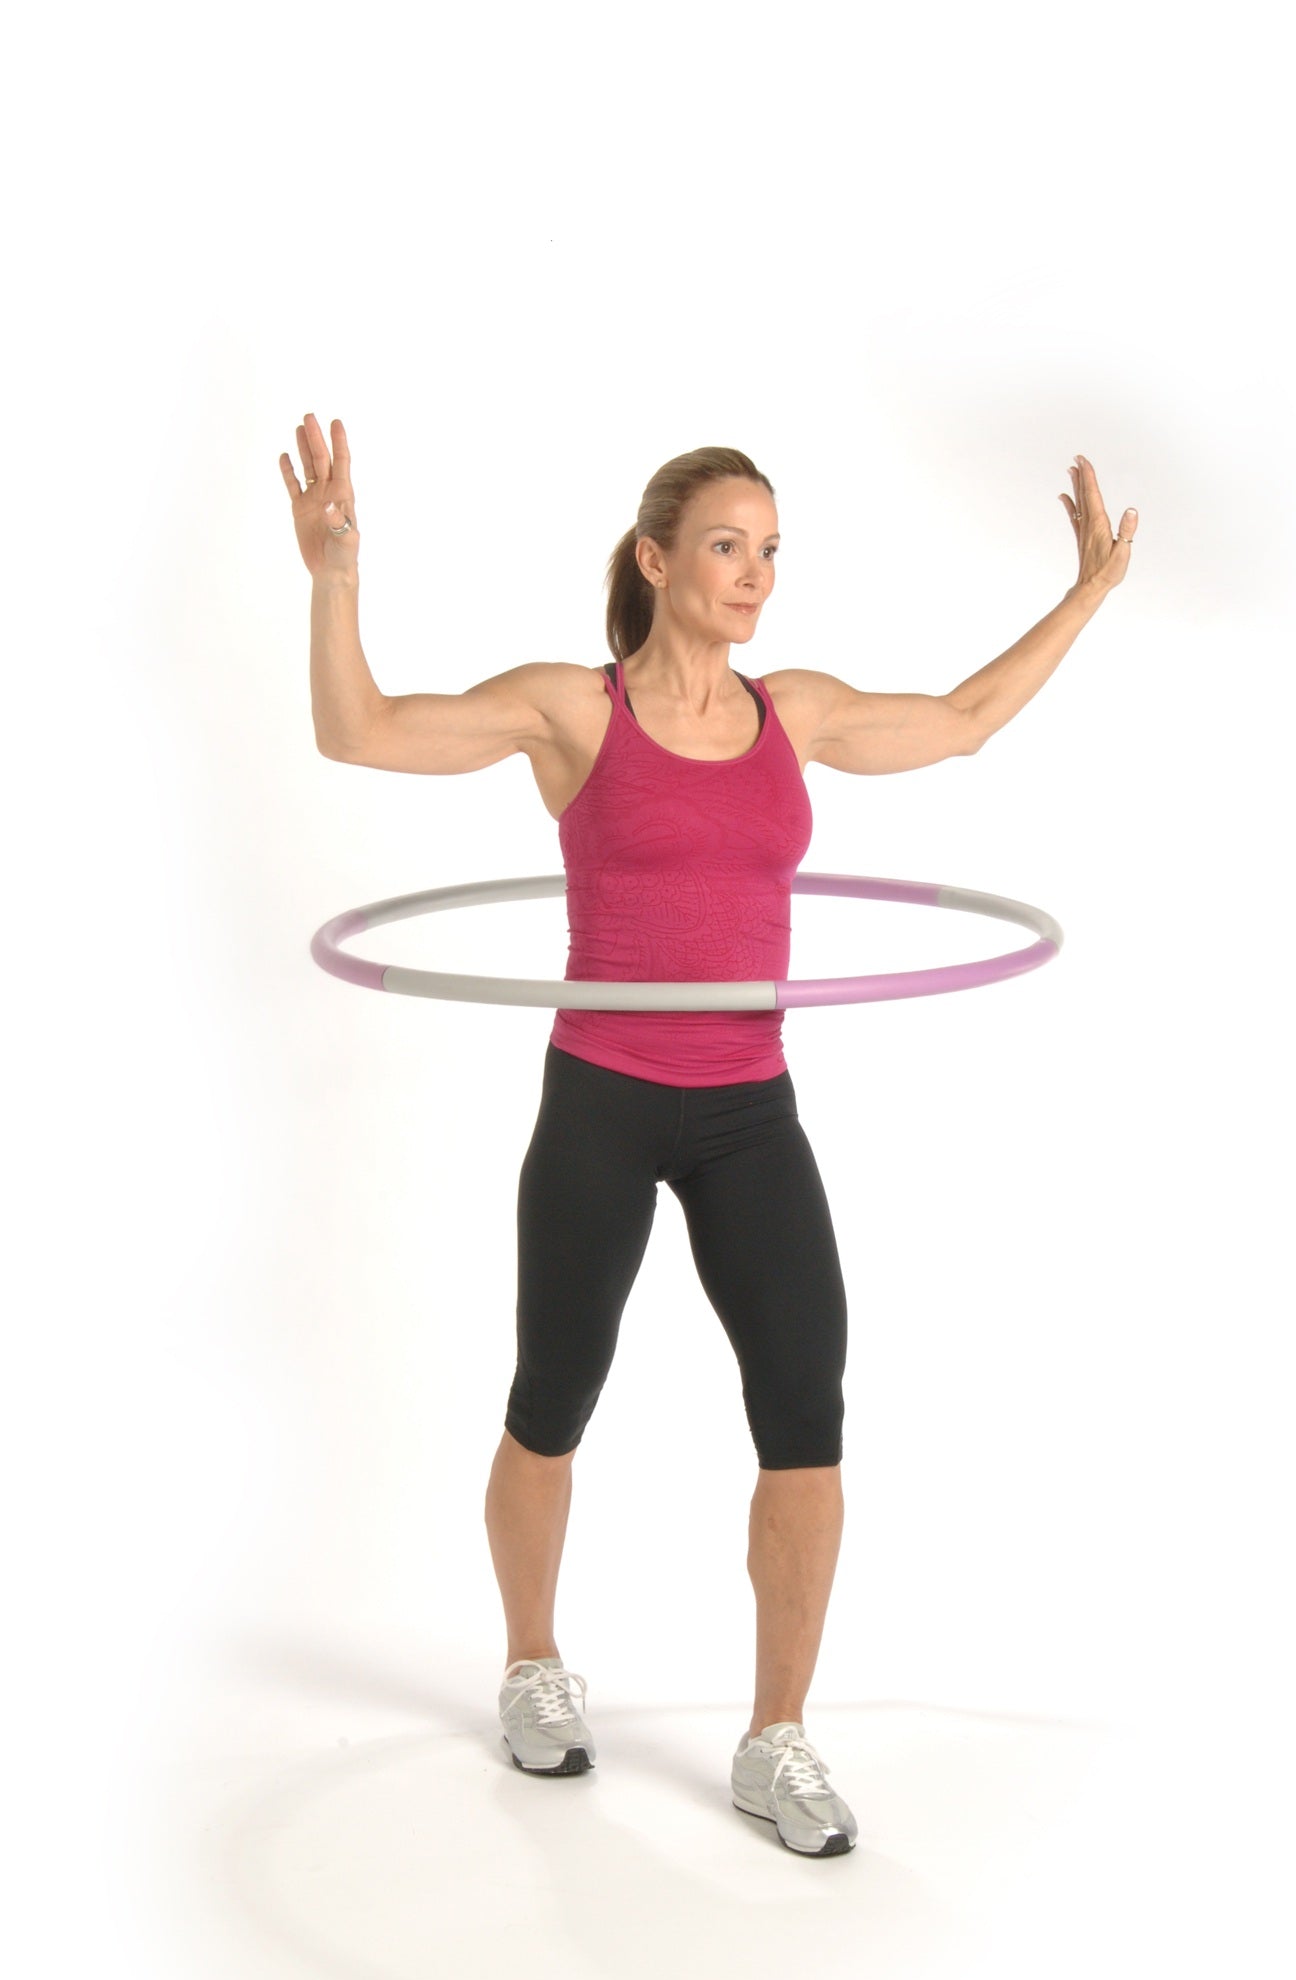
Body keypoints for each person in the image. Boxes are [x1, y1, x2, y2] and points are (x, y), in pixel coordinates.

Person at [283, 411, 1136, 1857]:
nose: (756, 576)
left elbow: (966, 718)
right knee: (553, 1392)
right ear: (657, 558)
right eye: (731, 548)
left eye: (773, 554)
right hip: (603, 1098)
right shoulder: (574, 710)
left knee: (808, 1407)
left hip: (750, 1111)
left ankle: (777, 1738)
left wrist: (1089, 593)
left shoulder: (790, 714)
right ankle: (533, 1662)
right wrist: (334, 574)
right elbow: (356, 731)